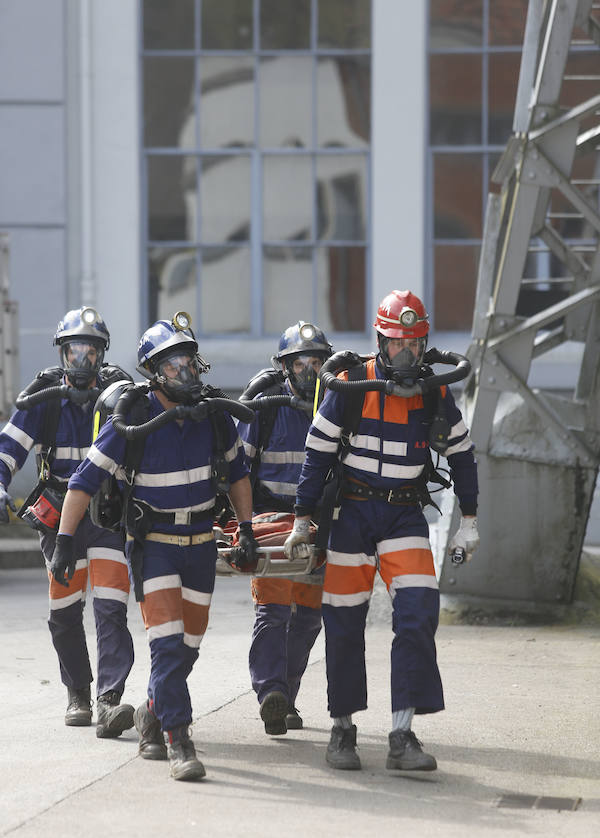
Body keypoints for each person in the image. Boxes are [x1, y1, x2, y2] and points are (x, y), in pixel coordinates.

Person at [50, 313, 258, 782]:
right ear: (152, 371)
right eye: (172, 364)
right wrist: (65, 541)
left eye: (188, 361)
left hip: (202, 542)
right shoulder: (133, 416)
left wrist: (245, 528)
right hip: (155, 544)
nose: (184, 372)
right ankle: (179, 740)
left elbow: (240, 474)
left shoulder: (214, 413)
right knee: (166, 644)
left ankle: (151, 713)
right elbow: (83, 483)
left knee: (188, 646)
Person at [284, 290, 480, 771]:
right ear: (380, 341)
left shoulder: (436, 391)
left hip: (403, 514)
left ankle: (402, 733)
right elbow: (317, 454)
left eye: (415, 344)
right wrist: (302, 518)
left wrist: (469, 522)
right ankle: (343, 729)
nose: (406, 354)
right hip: (350, 512)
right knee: (344, 621)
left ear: (425, 343)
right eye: (396, 344)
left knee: (417, 614)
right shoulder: (349, 383)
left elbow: (462, 454)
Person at [0, 307, 136, 737]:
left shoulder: (119, 394)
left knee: (112, 607)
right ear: (62, 353)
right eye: (75, 351)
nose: (83, 361)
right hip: (59, 514)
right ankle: (78, 690)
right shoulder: (44, 398)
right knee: (63, 610)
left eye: (91, 352)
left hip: (107, 513)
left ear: (102, 355)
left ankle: (110, 699)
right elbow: (8, 449)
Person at [237, 321, 332, 736]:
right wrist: (241, 527)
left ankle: (287, 699)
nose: (309, 371)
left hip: (320, 524)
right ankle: (270, 693)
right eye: (301, 363)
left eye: (317, 362)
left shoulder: (338, 404)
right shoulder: (266, 407)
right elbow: (236, 468)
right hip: (272, 519)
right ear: (285, 367)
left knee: (309, 618)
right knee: (274, 611)